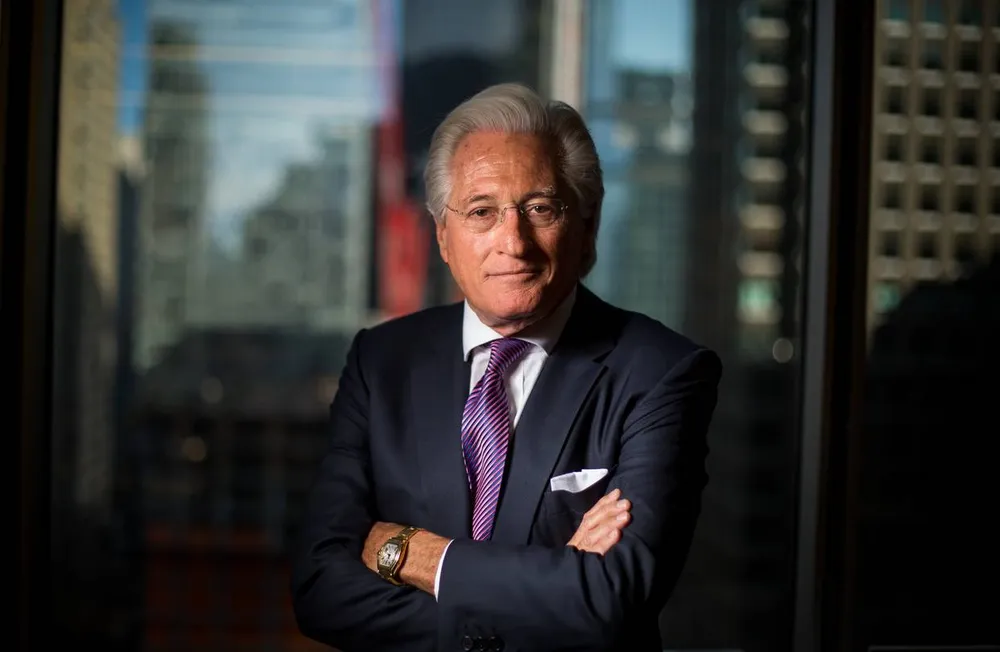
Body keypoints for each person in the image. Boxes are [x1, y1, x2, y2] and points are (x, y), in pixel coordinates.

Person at [290, 83, 722, 652]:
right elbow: (320, 590)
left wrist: (416, 555)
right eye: (481, 212)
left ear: (587, 226)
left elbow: (611, 599)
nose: (513, 242)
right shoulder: (382, 361)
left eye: (540, 209)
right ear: (443, 237)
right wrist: (547, 591)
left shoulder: (661, 372)